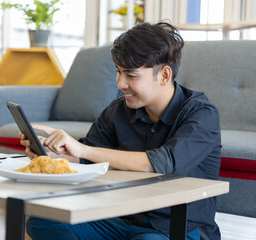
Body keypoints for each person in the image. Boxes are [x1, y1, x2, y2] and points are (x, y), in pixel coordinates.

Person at [19, 22, 222, 240]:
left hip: (177, 229)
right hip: (123, 221)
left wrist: (83, 151)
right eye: (118, 72)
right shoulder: (119, 110)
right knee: (42, 222)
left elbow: (161, 163)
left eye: (131, 75)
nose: (120, 83)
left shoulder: (201, 113)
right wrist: (52, 155)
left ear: (164, 75)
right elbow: (88, 156)